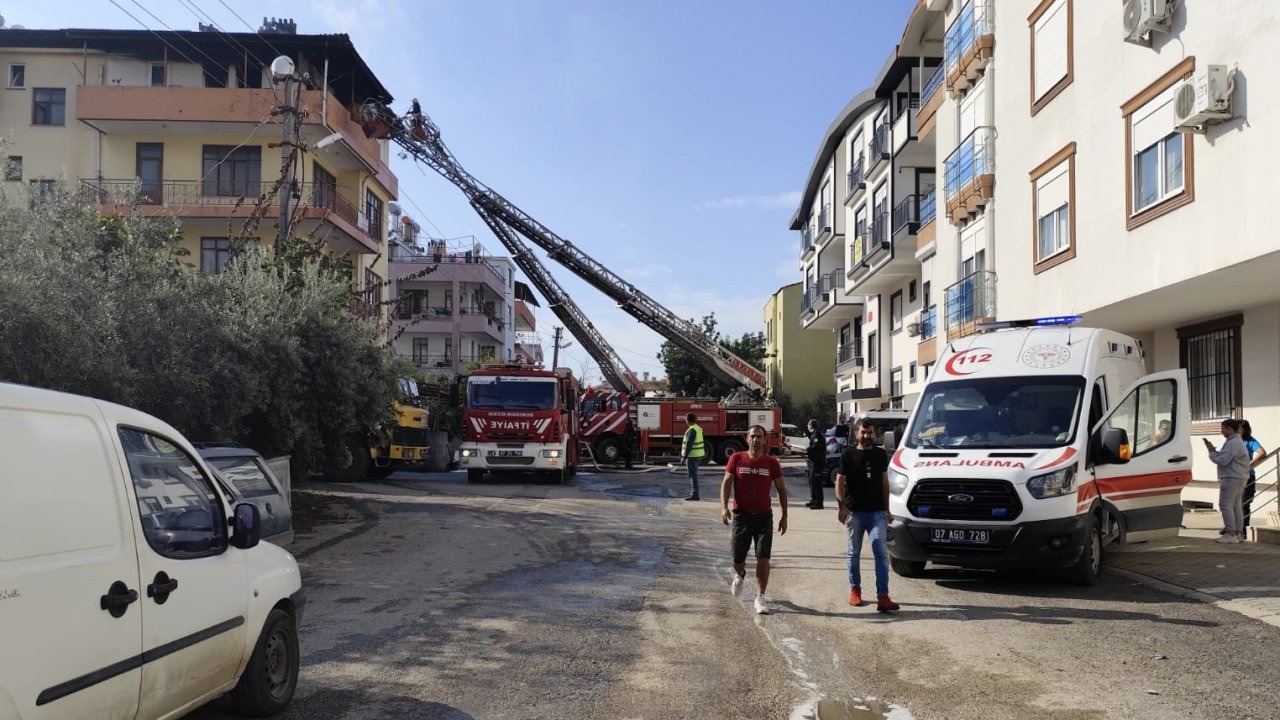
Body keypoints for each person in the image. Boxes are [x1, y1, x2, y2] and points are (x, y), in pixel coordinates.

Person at [720, 424, 787, 615]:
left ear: (765, 440)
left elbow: (781, 489)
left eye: (759, 436)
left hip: (764, 517)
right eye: (753, 436)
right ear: (747, 439)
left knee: (763, 557)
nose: (756, 440)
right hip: (741, 516)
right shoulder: (737, 459)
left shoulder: (772, 463)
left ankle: (760, 597)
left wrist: (785, 515)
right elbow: (726, 483)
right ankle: (740, 575)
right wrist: (724, 507)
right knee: (737, 558)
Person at [836, 418, 900, 612]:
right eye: (863, 432)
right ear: (856, 434)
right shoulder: (848, 455)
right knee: (853, 553)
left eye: (870, 432)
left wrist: (887, 510)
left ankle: (883, 597)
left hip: (877, 513)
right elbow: (839, 482)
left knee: (880, 552)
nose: (867, 436)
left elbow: (885, 483)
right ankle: (855, 591)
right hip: (855, 513)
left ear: (874, 433)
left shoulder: (881, 454)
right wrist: (842, 507)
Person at [1205, 419, 1250, 544]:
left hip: (1231, 478)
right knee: (1236, 506)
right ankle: (1238, 533)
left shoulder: (1233, 442)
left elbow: (1223, 460)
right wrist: (1216, 453)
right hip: (1240, 477)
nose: (1221, 432)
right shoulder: (1236, 441)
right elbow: (1227, 457)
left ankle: (1231, 534)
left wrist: (1211, 452)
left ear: (1230, 428)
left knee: (1226, 505)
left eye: (1223, 428)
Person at [1240, 420, 1266, 535]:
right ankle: (1231, 527)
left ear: (1245, 429)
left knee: (1245, 503)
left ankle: (1243, 529)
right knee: (1232, 503)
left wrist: (1250, 464)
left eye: (1239, 428)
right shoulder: (1232, 441)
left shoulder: (1250, 441)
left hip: (1247, 476)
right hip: (1234, 476)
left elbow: (1262, 452)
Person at [680, 412, 706, 500]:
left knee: (692, 475)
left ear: (687, 420)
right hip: (699, 455)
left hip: (692, 456)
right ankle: (694, 492)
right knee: (693, 474)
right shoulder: (698, 428)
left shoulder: (691, 430)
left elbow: (689, 444)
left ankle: (695, 494)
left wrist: (684, 456)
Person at [804, 419, 826, 509]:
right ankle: (814, 500)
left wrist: (808, 449)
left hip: (817, 462)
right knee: (812, 481)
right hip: (813, 462)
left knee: (817, 482)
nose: (807, 427)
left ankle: (819, 503)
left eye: (808, 425)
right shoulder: (813, 434)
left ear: (811, 425)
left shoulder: (817, 434)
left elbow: (816, 447)